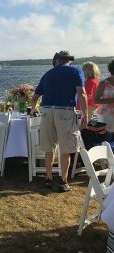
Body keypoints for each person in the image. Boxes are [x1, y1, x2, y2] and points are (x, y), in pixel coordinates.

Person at [30, 50, 87, 192]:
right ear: (69, 61)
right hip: (65, 111)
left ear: (56, 60)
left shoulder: (48, 73)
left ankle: (48, 178)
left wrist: (33, 110)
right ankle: (63, 181)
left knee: (49, 147)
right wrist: (85, 115)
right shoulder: (76, 71)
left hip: (47, 111)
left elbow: (35, 97)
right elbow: (82, 93)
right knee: (66, 149)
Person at [94, 59, 114, 131]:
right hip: (105, 116)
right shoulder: (104, 83)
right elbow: (95, 100)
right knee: (104, 140)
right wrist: (111, 100)